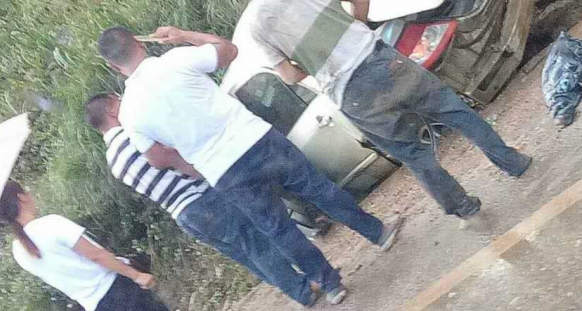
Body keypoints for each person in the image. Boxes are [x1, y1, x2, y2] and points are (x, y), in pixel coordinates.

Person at [225, 0, 532, 220]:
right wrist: (352, 30)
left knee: (412, 153)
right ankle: (512, 162)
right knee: (455, 112)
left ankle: (462, 206)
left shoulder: (258, 26)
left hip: (351, 94)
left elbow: (289, 76)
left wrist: (315, 62)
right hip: (382, 61)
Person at [96, 25, 403, 305]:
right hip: (255, 138)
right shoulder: (175, 60)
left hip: (221, 171)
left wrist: (189, 158)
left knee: (278, 229)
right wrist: (184, 35)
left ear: (113, 65)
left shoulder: (131, 114)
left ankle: (330, 284)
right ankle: (378, 233)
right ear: (139, 42)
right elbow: (228, 50)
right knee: (318, 189)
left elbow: (158, 159)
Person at [84, 93, 319, 307]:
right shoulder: (133, 134)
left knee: (245, 254)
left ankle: (296, 287)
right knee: (257, 244)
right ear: (112, 110)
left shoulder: (114, 162)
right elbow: (172, 155)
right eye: (119, 101)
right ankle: (303, 290)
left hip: (183, 214)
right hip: (201, 197)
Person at [0, 180, 167, 311]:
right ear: (21, 197)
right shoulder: (49, 224)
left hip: (94, 305)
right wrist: (135, 275)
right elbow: (95, 255)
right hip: (119, 290)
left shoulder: (19, 251)